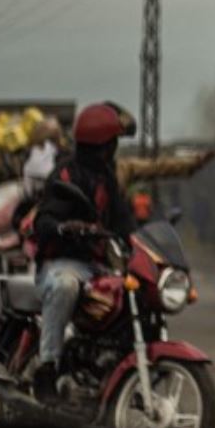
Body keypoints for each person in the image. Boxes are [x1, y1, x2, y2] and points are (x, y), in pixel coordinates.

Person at [28, 102, 138, 404]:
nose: (115, 147)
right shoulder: (65, 175)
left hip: (97, 265)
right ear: (104, 145)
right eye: (113, 141)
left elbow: (124, 220)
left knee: (134, 291)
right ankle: (47, 367)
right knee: (66, 286)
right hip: (61, 264)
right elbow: (43, 220)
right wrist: (65, 227)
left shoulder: (107, 178)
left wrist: (146, 241)